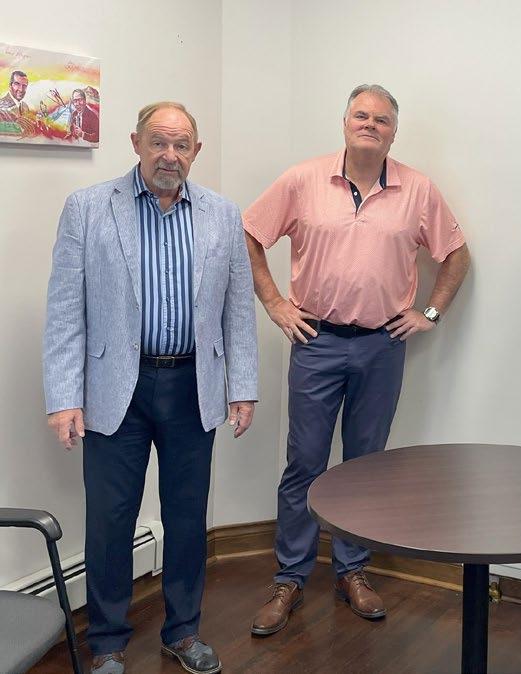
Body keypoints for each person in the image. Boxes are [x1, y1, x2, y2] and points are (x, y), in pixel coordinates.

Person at [244, 83, 470, 635]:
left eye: (382, 119)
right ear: (345, 122)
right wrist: (274, 303)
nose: (370, 124)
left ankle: (353, 570)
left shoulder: (418, 189)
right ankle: (290, 577)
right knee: (305, 462)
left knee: (366, 466)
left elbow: (456, 255)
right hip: (316, 341)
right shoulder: (302, 180)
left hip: (381, 345)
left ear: (394, 132)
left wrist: (430, 313)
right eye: (361, 115)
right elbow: (248, 234)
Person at [43, 102, 258, 674]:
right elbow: (65, 310)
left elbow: (238, 310)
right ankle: (107, 642)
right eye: (158, 142)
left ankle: (182, 632)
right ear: (136, 143)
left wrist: (243, 387)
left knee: (187, 517)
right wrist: (64, 397)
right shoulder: (88, 208)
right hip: (117, 387)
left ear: (196, 151)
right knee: (110, 519)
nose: (169, 155)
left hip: (193, 385)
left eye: (181, 145)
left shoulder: (222, 214)